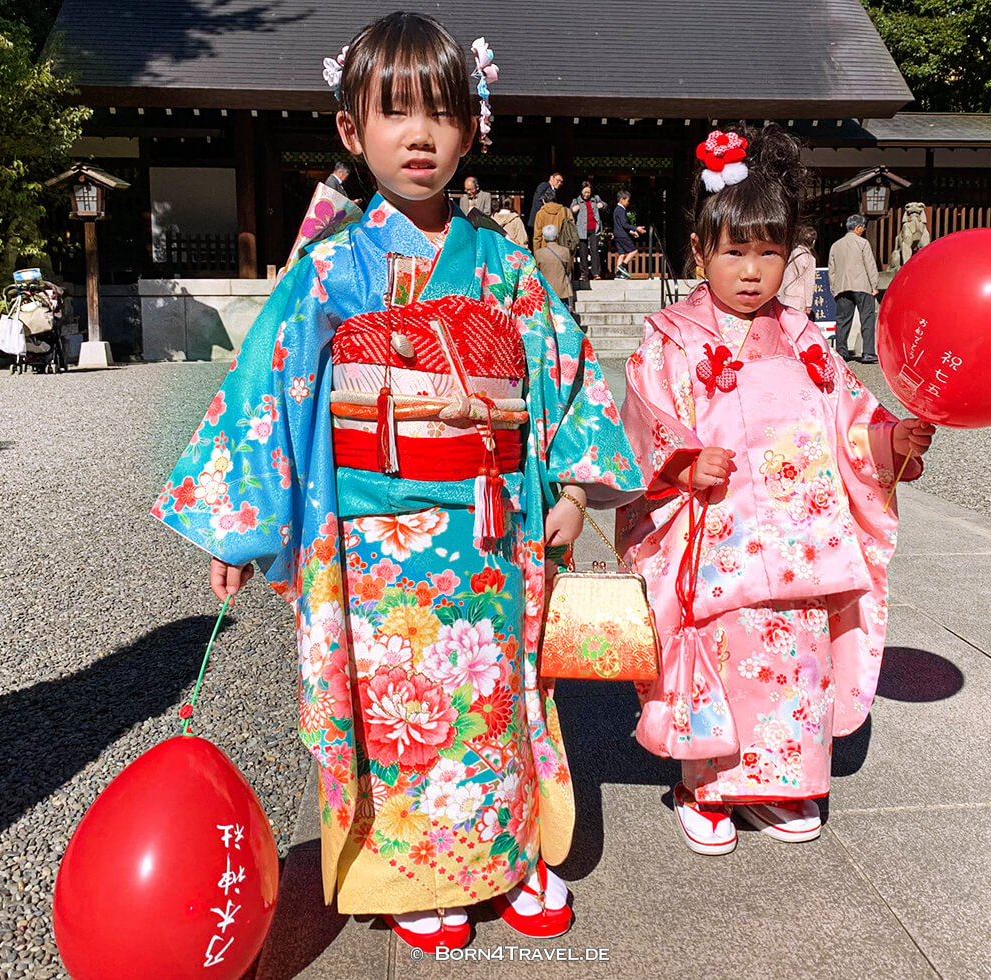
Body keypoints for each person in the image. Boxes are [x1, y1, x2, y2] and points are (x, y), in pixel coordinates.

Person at [151, 11, 643, 954]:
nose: (420, 137)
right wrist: (238, 526)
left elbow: (563, 376)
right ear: (351, 131)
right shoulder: (330, 267)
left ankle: (507, 853)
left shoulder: (505, 264)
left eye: (442, 115)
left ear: (474, 128)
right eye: (394, 115)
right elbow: (270, 382)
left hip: (493, 532)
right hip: (375, 544)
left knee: (495, 695)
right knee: (401, 706)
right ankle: (414, 870)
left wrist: (576, 491)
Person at [617, 125, 934, 857]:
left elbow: (850, 414)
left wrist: (892, 443)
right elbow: (645, 420)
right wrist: (682, 463)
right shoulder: (670, 338)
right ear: (700, 252)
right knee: (721, 656)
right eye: (735, 252)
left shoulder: (805, 339)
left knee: (794, 659)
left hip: (798, 543)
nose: (753, 271)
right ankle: (705, 784)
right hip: (716, 539)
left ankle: (780, 784)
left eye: (769, 252)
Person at [827, 214, 880, 363]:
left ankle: (842, 352)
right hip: (862, 285)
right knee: (867, 319)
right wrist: (874, 286)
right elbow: (870, 265)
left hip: (842, 287)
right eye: (862, 227)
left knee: (843, 321)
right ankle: (868, 352)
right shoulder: (863, 243)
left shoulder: (836, 245)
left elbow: (832, 270)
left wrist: (834, 289)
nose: (863, 230)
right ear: (857, 228)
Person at [777, 224, 817, 316]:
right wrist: (808, 304)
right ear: (813, 242)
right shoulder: (809, 258)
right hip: (798, 298)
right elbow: (809, 282)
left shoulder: (792, 253)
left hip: (785, 294)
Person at [534, 223, 575, 312]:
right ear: (557, 236)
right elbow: (568, 270)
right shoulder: (565, 251)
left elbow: (536, 272)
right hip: (562, 290)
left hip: (546, 291)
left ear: (544, 238)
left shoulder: (538, 253)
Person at [569, 182, 605, 281]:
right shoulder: (576, 200)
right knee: (582, 252)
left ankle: (596, 273)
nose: (586, 195)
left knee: (594, 251)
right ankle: (583, 274)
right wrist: (573, 209)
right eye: (585, 192)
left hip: (594, 228)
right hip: (581, 229)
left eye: (588, 192)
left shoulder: (595, 198)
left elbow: (605, 206)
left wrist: (602, 205)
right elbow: (570, 211)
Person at [611, 189, 644, 279]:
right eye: (627, 200)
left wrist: (631, 232)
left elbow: (620, 225)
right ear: (622, 199)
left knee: (621, 253)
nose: (628, 203)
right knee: (633, 251)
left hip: (617, 234)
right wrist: (636, 228)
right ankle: (623, 266)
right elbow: (624, 224)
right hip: (622, 235)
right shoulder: (621, 210)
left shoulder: (616, 210)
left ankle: (618, 274)